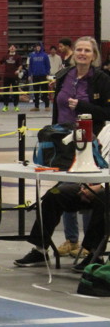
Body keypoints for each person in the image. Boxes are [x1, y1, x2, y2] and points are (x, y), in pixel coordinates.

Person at [44, 36, 110, 260]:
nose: (82, 53)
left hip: (89, 142)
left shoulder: (101, 79)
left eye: (87, 50)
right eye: (79, 49)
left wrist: (82, 106)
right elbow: (57, 107)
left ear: (94, 55)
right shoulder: (64, 75)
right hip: (63, 141)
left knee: (88, 189)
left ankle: (89, 246)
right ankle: (71, 239)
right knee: (62, 187)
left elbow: (107, 113)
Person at [26, 42, 51, 111]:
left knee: (45, 91)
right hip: (35, 76)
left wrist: (47, 74)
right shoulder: (32, 56)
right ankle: (36, 107)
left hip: (43, 75)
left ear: (41, 47)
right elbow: (30, 66)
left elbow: (48, 65)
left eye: (39, 46)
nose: (38, 47)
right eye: (36, 46)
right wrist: (29, 75)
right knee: (36, 92)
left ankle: (47, 106)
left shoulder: (45, 55)